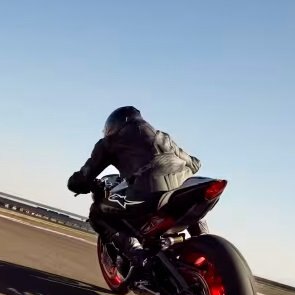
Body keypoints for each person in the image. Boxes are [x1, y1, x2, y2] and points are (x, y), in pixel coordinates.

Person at [67, 106, 208, 273]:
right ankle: (206, 245)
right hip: (181, 188)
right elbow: (195, 164)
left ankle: (137, 255)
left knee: (98, 213)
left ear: (116, 124)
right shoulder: (163, 137)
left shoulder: (110, 141)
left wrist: (75, 184)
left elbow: (85, 175)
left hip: (149, 191)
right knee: (190, 204)